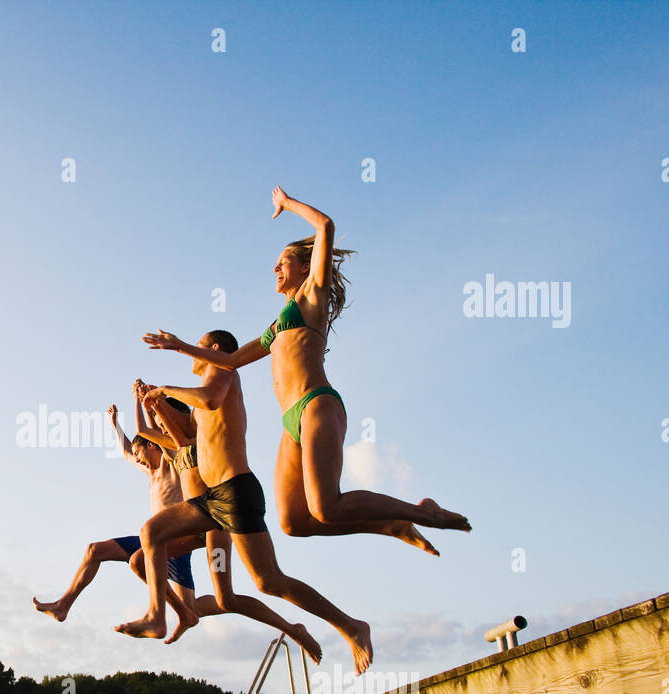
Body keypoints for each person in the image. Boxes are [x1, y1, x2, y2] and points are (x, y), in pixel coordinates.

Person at [143, 186, 469, 556]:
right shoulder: (277, 326)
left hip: (317, 404)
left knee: (326, 506)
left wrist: (287, 204)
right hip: (291, 420)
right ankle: (390, 524)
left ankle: (421, 512)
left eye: (284, 261)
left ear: (304, 267)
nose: (276, 267)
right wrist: (180, 345)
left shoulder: (313, 297)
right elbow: (231, 361)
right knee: (294, 522)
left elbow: (326, 226)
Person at [116, 331, 372, 673]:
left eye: (199, 346)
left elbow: (207, 399)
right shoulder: (194, 415)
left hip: (235, 494)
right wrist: (151, 401)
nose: (193, 354)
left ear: (216, 350)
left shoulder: (222, 372)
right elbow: (174, 432)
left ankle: (350, 625)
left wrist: (164, 389)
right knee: (151, 535)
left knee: (269, 581)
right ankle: (158, 615)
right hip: (210, 505)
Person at [134, 384, 321, 662]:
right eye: (160, 426)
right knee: (140, 561)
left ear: (181, 417)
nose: (162, 429)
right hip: (192, 526)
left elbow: (174, 429)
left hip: (215, 525)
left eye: (166, 422)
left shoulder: (196, 437)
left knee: (228, 597)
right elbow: (148, 432)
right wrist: (143, 402)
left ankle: (292, 629)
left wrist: (158, 403)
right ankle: (185, 612)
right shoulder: (173, 446)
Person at [33, 388, 200, 634]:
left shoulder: (172, 462)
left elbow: (152, 432)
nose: (137, 459)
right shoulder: (150, 473)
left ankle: (196, 610)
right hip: (154, 540)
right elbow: (125, 451)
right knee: (95, 550)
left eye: (139, 452)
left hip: (176, 542)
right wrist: (115, 425)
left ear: (152, 446)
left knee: (197, 607)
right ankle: (63, 605)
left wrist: (148, 405)